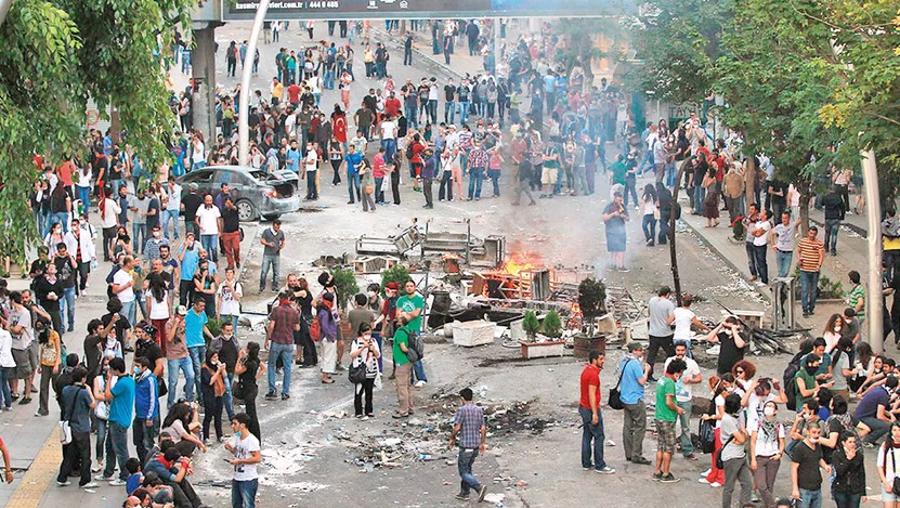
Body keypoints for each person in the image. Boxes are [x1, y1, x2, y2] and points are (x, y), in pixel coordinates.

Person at [56, 366, 98, 489]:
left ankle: (62, 477)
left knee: (70, 454)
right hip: (82, 427)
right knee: (85, 455)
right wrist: (89, 390)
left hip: (70, 426)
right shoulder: (84, 392)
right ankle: (85, 480)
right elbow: (93, 405)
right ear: (83, 378)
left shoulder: (66, 390)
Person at [449, 387, 488, 502]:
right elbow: (483, 428)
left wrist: (452, 438)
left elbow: (457, 427)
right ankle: (464, 493)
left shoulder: (462, 410)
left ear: (462, 398)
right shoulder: (479, 409)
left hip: (466, 445)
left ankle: (478, 487)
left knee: (463, 472)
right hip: (475, 445)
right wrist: (482, 443)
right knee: (468, 469)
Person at [664, 343, 702, 461]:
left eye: (682, 350)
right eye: (678, 350)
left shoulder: (691, 363)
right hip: (673, 398)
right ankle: (669, 450)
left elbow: (699, 378)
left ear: (685, 351)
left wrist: (691, 380)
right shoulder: (669, 361)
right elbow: (664, 376)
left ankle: (687, 450)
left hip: (685, 399)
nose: (680, 352)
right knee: (670, 425)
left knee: (685, 426)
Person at [100, 357, 135, 486]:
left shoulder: (123, 383)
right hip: (116, 417)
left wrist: (109, 379)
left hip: (119, 420)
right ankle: (108, 472)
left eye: (111, 369)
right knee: (109, 446)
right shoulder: (128, 380)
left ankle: (124, 475)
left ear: (115, 370)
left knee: (120, 450)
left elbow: (108, 396)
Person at [579, 351, 614, 474]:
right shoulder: (593, 374)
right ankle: (600, 465)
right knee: (599, 436)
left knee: (587, 435)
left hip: (583, 407)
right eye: (600, 359)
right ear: (594, 360)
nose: (603, 361)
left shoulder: (586, 370)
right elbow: (591, 394)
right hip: (590, 408)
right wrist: (594, 413)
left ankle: (586, 463)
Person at [654, 358, 686, 483]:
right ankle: (666, 473)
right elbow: (668, 402)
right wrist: (677, 409)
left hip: (659, 417)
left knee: (660, 446)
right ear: (677, 372)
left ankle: (657, 471)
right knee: (669, 448)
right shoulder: (669, 383)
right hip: (668, 418)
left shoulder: (661, 380)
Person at [620, 342, 652, 465]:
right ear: (634, 351)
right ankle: (636, 454)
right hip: (635, 398)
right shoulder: (635, 364)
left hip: (625, 397)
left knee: (627, 426)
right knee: (640, 427)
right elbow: (642, 381)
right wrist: (647, 370)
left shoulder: (624, 361)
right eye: (639, 350)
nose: (641, 352)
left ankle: (628, 453)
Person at [750, 401, 786, 508]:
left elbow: (782, 442)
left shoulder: (779, 425)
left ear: (775, 411)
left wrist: (779, 453)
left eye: (771, 406)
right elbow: (752, 441)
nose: (768, 408)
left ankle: (768, 505)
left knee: (770, 486)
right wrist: (753, 458)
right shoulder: (757, 423)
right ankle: (773, 505)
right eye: (767, 406)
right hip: (759, 457)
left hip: (773, 458)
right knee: (761, 485)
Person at [265, 291, 299, 400]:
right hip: (288, 342)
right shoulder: (294, 312)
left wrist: (268, 338)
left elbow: (271, 326)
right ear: (288, 299)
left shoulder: (276, 310)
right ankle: (285, 392)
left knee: (271, 365)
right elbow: (297, 328)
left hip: (277, 340)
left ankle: (272, 390)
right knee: (287, 368)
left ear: (280, 299)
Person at [720, 393, 753, 508]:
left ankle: (744, 505)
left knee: (747, 484)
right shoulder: (728, 420)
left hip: (740, 454)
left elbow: (741, 439)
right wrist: (743, 433)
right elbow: (742, 439)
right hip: (731, 457)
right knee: (729, 487)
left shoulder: (735, 415)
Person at [225, 413, 261, 508]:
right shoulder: (238, 437)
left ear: (242, 425)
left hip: (248, 479)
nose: (232, 426)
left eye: (235, 424)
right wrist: (231, 449)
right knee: (236, 504)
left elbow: (257, 458)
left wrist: (240, 462)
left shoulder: (252, 440)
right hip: (237, 477)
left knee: (248, 504)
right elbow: (240, 453)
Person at [790, 423, 830, 508]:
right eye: (814, 432)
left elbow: (819, 458)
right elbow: (794, 468)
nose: (816, 435)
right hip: (804, 489)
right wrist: (795, 488)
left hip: (817, 488)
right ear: (808, 432)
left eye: (818, 432)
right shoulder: (799, 448)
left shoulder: (817, 445)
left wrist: (825, 466)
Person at [397, 279, 427, 386]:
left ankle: (421, 378)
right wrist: (407, 315)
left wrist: (404, 313)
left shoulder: (419, 299)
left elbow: (416, 313)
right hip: (404, 330)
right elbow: (398, 314)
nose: (409, 287)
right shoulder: (401, 300)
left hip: (414, 330)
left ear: (414, 287)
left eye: (411, 286)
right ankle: (409, 378)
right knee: (405, 354)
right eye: (407, 286)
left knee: (415, 354)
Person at [132, 356, 160, 466]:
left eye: (138, 366)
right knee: (138, 442)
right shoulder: (137, 378)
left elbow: (153, 399)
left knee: (148, 444)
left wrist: (150, 416)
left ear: (144, 367)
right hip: (139, 415)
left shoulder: (150, 379)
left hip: (147, 417)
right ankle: (143, 464)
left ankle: (149, 467)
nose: (135, 368)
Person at [854, 374, 896, 446]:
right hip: (863, 417)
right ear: (894, 388)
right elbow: (880, 415)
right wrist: (890, 421)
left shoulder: (879, 390)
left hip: (861, 414)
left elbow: (881, 409)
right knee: (885, 426)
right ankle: (867, 441)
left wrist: (890, 415)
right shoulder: (883, 395)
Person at [235, 342, 264, 442]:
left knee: (251, 415)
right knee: (251, 413)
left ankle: (254, 437)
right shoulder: (256, 360)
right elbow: (263, 368)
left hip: (248, 390)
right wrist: (255, 378)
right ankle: (253, 436)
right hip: (252, 387)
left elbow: (237, 371)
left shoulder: (249, 363)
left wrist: (239, 358)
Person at [350, 323, 380, 418]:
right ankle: (358, 411)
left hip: (371, 371)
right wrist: (363, 347)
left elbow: (378, 355)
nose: (368, 335)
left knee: (369, 392)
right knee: (358, 391)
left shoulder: (374, 341)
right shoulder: (356, 342)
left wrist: (373, 349)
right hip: (360, 371)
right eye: (366, 333)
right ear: (361, 333)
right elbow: (352, 355)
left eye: (369, 333)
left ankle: (369, 410)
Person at [647, 287, 676, 382]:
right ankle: (671, 374)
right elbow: (669, 322)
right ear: (667, 294)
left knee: (651, 355)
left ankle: (648, 375)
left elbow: (649, 314)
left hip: (653, 333)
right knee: (671, 355)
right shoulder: (669, 304)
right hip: (665, 334)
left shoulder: (652, 300)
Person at [797, 226, 825, 317]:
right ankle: (805, 309)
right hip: (804, 269)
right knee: (805, 289)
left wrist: (818, 265)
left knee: (813, 291)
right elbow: (799, 251)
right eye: (810, 233)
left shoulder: (819, 243)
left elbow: (821, 255)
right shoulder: (803, 241)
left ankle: (811, 307)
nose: (812, 235)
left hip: (814, 270)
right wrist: (799, 259)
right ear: (808, 233)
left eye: (814, 234)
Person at [832, 432, 865, 508]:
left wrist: (863, 492)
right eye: (850, 442)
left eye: (854, 442)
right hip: (841, 488)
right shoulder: (837, 454)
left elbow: (861, 473)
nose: (853, 444)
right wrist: (848, 459)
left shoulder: (859, 455)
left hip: (855, 489)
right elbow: (839, 471)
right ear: (843, 443)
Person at [201, 351, 226, 443]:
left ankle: (220, 435)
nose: (216, 359)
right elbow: (210, 382)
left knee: (218, 416)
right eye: (214, 357)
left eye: (217, 357)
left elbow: (225, 376)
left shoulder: (217, 366)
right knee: (208, 416)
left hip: (218, 393)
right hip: (209, 395)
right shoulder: (205, 368)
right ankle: (206, 437)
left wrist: (222, 369)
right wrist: (218, 371)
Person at [392, 316, 414, 418]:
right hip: (408, 361)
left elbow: (404, 348)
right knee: (407, 385)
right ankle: (409, 407)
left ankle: (403, 410)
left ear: (401, 322)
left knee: (401, 387)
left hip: (401, 362)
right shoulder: (408, 329)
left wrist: (408, 351)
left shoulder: (400, 332)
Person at [602, 191, 629, 272]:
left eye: (621, 200)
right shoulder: (609, 207)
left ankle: (620, 265)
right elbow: (604, 218)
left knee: (621, 248)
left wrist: (622, 215)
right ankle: (613, 265)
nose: (620, 202)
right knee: (613, 249)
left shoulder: (623, 207)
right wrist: (613, 214)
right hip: (611, 230)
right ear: (614, 198)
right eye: (618, 200)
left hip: (621, 230)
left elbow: (628, 218)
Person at [259, 220, 284, 293]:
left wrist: (281, 246)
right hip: (267, 254)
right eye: (276, 227)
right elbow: (262, 240)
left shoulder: (281, 232)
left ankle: (275, 286)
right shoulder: (266, 231)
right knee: (264, 271)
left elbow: (283, 240)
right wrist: (268, 244)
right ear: (273, 225)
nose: (277, 228)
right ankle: (262, 286)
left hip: (276, 255)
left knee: (276, 272)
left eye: (279, 227)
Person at [878, 423, 900, 508]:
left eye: (899, 430)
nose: (897, 433)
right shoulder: (885, 446)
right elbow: (880, 465)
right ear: (891, 432)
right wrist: (885, 482)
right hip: (889, 482)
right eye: (894, 430)